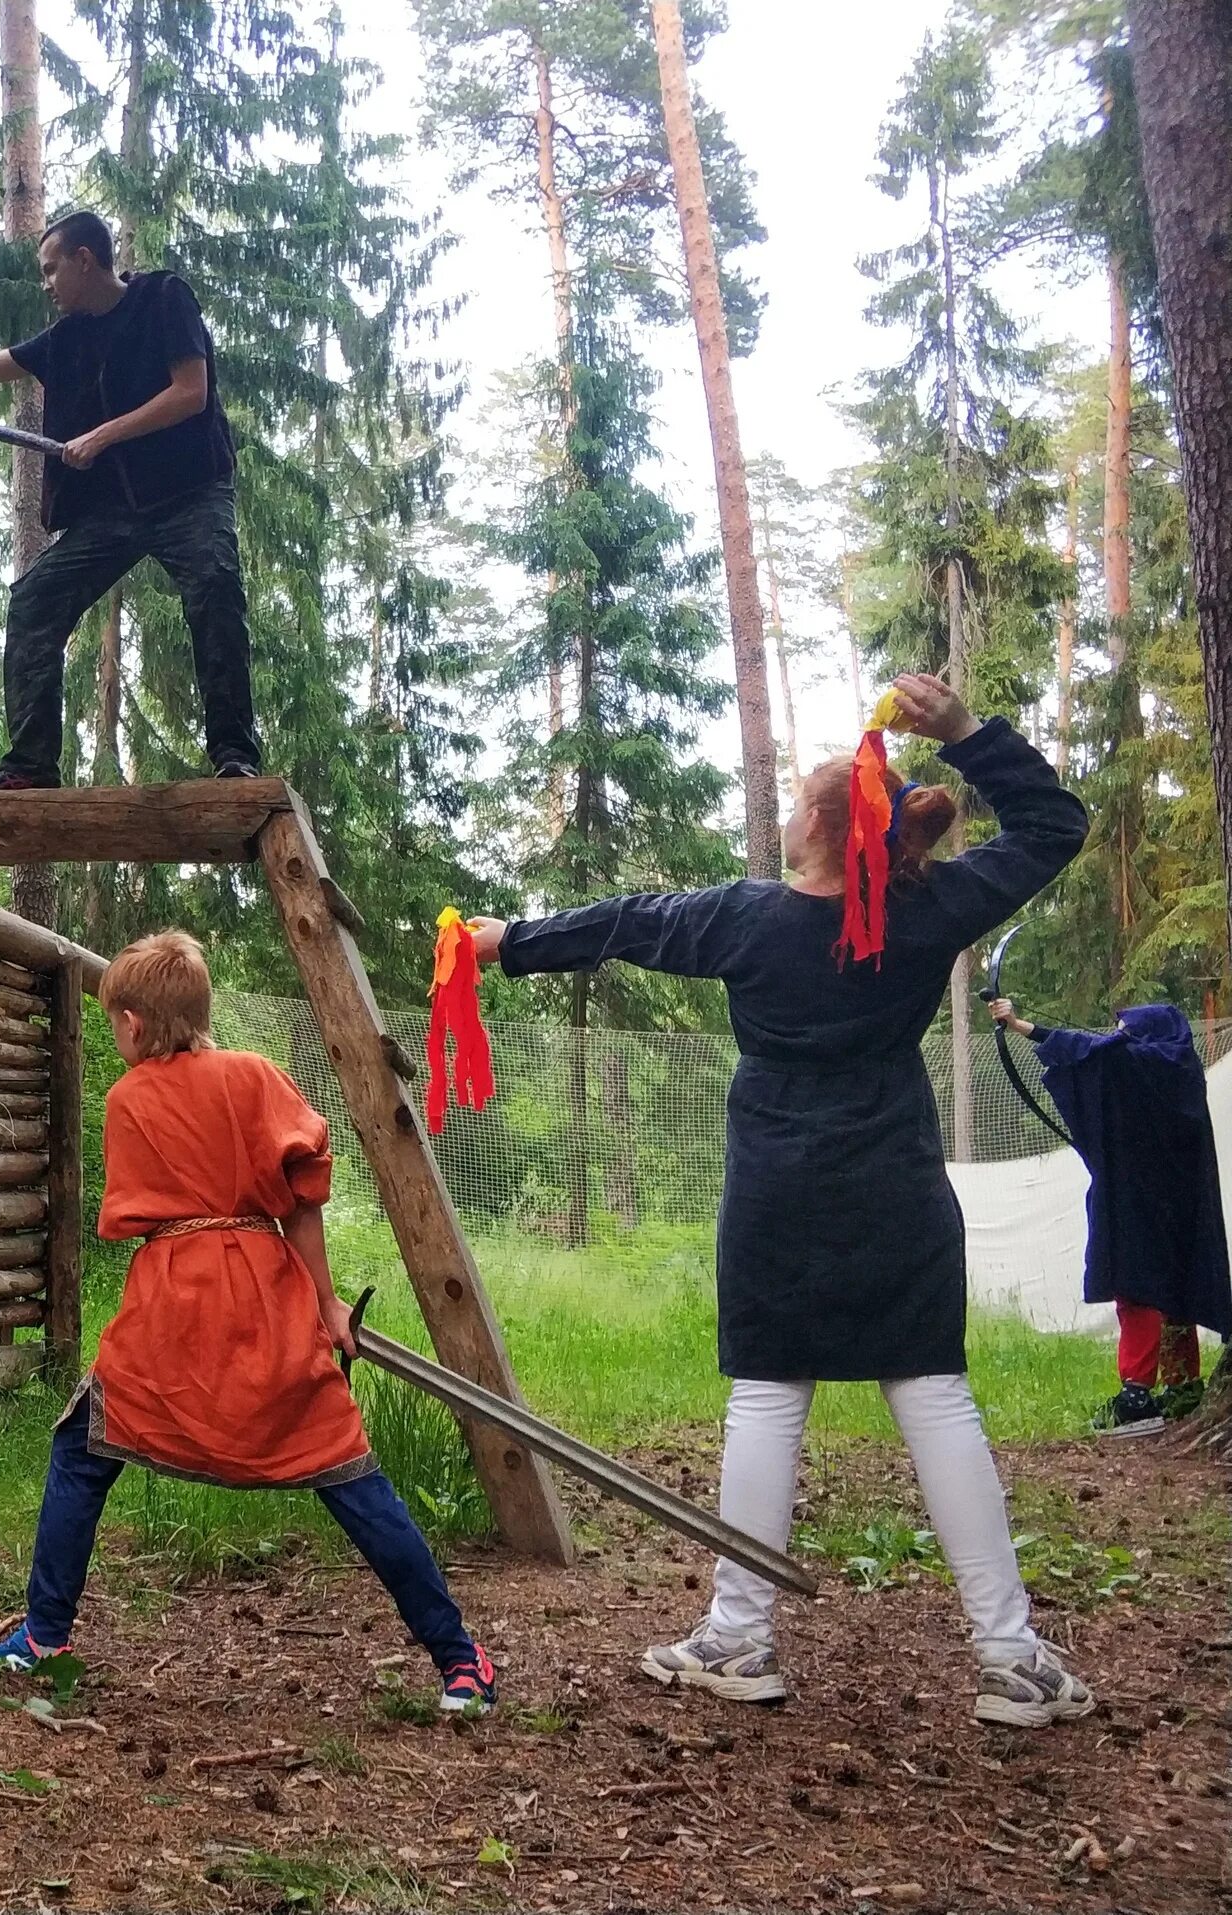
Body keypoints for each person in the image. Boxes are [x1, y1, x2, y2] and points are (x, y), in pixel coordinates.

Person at [469, 673, 1095, 1729]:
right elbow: (1052, 823)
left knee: (766, 1398)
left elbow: (624, 922)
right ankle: (1010, 1657)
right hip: (893, 1184)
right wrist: (962, 733)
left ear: (809, 826)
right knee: (934, 1396)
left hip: (775, 1190)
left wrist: (507, 943)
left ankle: (737, 1636)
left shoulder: (741, 921)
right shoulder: (932, 906)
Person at [0, 931, 498, 1713]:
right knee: (346, 1467)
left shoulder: (128, 1099)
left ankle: (45, 1634)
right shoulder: (257, 1077)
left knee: (83, 1447)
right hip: (266, 1287)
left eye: (117, 1024)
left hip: (175, 1303)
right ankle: (459, 1658)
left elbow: (136, 1216)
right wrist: (325, 1302)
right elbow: (303, 1198)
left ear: (136, 1024)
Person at [0, 210, 262, 789]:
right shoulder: (66, 339)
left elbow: (190, 394)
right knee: (34, 602)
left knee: (215, 591)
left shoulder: (164, 298)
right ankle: (30, 765)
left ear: (84, 260)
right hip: (113, 513)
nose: (45, 284)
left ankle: (235, 758)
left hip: (190, 495)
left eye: (50, 270)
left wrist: (102, 434)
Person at [987, 995, 1229, 1433]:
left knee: (1138, 1291)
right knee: (1175, 1289)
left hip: (1140, 1207)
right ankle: (1182, 1386)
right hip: (1172, 1207)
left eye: (1127, 1031)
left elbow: (1094, 1055)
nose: (1118, 1039)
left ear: (1152, 1033)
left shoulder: (1151, 1066)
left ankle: (1137, 1397)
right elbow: (1100, 1057)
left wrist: (1021, 1026)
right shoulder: (1175, 1071)